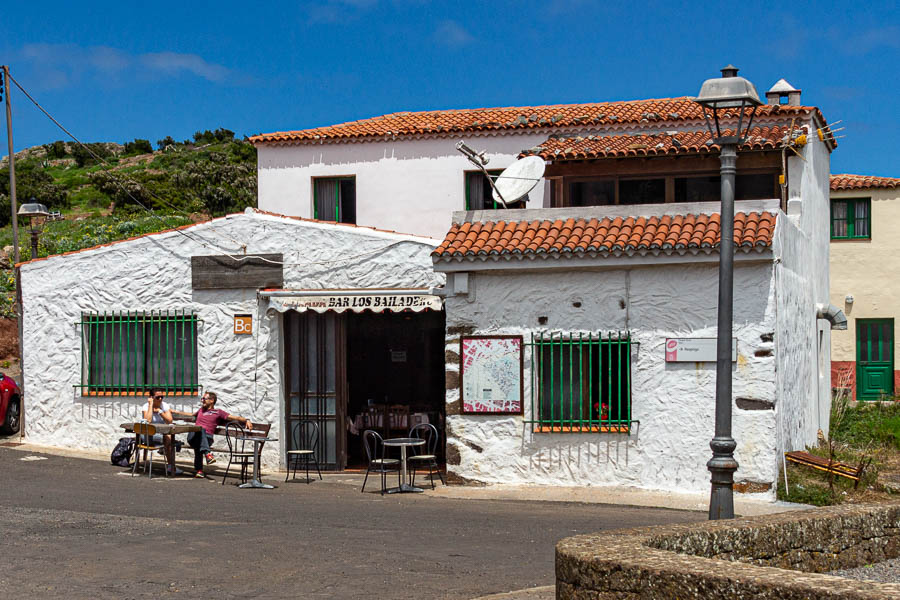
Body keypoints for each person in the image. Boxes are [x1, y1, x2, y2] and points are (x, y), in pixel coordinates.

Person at [172, 392, 253, 478]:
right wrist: (173, 411)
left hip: (207, 439)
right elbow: (190, 415)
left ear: (212, 400)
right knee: (199, 429)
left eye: (204, 399)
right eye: (202, 399)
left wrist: (246, 420)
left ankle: (199, 470)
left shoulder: (218, 412)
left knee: (200, 442)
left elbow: (235, 417)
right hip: (193, 437)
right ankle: (208, 454)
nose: (202, 401)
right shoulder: (201, 410)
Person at [141, 387, 181, 475]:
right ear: (151, 397)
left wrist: (160, 411)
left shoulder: (164, 405)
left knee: (169, 439)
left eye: (162, 397)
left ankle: (170, 465)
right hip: (147, 435)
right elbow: (147, 421)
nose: (160, 399)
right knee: (169, 440)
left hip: (160, 434)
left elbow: (169, 420)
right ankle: (171, 466)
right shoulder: (146, 406)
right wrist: (151, 406)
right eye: (157, 397)